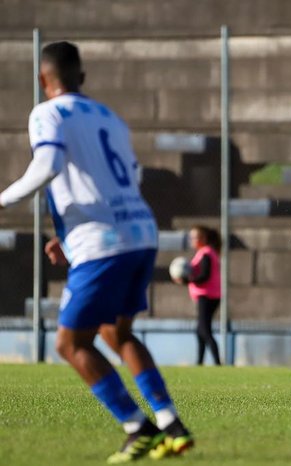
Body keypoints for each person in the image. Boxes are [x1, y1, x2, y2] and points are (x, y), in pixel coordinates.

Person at [0, 41, 193, 462]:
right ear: (82, 77)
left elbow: (48, 166)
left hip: (102, 242)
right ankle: (170, 423)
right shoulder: (110, 117)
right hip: (140, 232)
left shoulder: (47, 113)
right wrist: (71, 234)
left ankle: (136, 426)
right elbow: (131, 175)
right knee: (116, 334)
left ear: (41, 80)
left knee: (70, 344)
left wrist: (3, 199)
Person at [174, 226, 222, 366]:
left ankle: (218, 363)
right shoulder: (205, 253)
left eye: (194, 237)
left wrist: (186, 280)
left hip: (207, 296)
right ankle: (199, 362)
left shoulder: (206, 253)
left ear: (203, 239)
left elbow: (204, 276)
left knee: (204, 329)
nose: (192, 240)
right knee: (200, 330)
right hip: (209, 295)